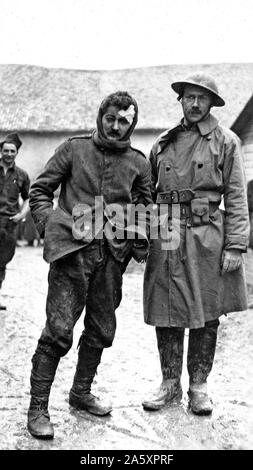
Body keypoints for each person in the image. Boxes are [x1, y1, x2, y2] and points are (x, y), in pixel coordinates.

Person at [27, 91, 152, 439]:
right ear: (101, 117)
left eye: (123, 121)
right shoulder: (74, 149)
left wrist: (135, 242)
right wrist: (50, 226)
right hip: (71, 255)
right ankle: (37, 407)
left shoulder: (139, 164)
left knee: (101, 329)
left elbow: (146, 208)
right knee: (59, 330)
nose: (115, 126)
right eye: (110, 118)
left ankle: (80, 393)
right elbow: (40, 191)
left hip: (110, 259)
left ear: (132, 124)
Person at [142, 72, 249, 416]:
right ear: (181, 100)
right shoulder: (162, 142)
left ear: (212, 103)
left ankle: (199, 386)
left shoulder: (227, 140)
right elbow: (145, 194)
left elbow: (235, 197)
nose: (194, 103)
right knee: (167, 309)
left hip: (207, 238)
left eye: (202, 98)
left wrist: (235, 245)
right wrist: (142, 238)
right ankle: (169, 384)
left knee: (207, 313)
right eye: (189, 97)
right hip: (167, 234)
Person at [0, 133, 30, 310]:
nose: (9, 154)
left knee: (1, 262)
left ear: (17, 153)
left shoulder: (22, 175)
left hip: (9, 223)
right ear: (1, 151)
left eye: (12, 151)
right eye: (6, 151)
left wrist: (21, 215)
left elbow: (28, 198)